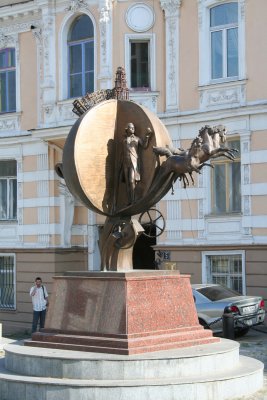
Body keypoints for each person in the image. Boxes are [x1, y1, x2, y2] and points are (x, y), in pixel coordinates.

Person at [123, 122, 153, 204]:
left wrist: (147, 136)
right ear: (127, 129)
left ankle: (133, 201)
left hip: (134, 162)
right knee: (127, 183)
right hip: (125, 163)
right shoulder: (124, 140)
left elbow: (144, 146)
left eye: (133, 128)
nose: (133, 129)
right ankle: (129, 201)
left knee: (131, 181)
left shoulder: (137, 139)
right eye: (131, 128)